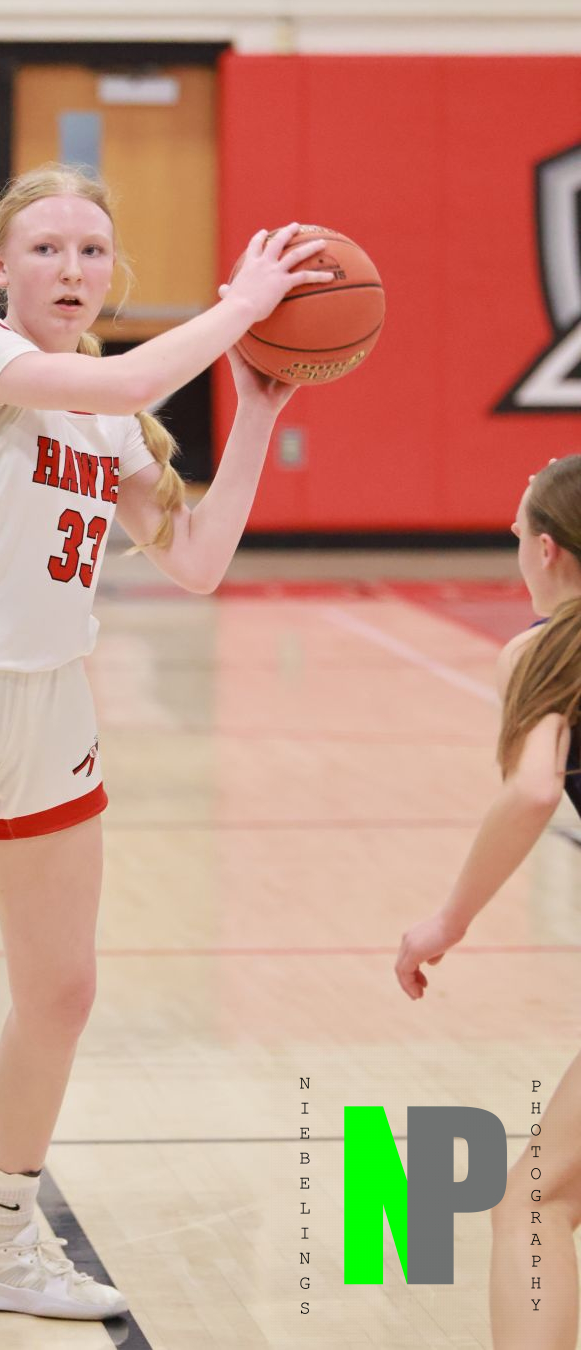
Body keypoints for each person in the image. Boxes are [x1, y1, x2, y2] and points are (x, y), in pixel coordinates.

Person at [0, 162, 332, 1349]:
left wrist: (259, 413)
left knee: (62, 992)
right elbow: (131, 372)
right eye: (44, 249)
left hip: (52, 708)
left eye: (89, 250)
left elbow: (195, 561)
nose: (70, 269)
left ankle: (0, 1243)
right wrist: (243, 306)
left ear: (109, 270)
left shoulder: (109, 419)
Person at [395, 454, 581, 1350]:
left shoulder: (542, 652)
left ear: (546, 551)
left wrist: (448, 920)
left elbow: (534, 790)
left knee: (533, 1205)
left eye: (517, 532)